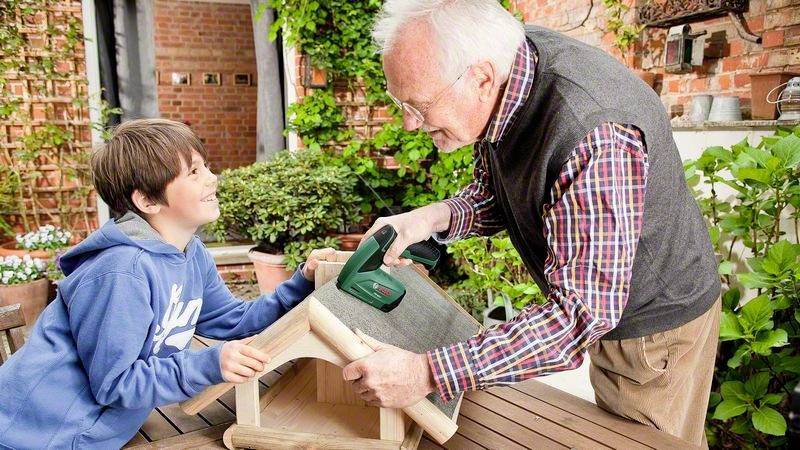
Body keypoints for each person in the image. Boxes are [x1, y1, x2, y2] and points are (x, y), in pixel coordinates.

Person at [341, 0, 721, 446]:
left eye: (419, 106)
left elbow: (580, 315)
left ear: (481, 79)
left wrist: (429, 372)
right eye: (400, 103)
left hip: (654, 331)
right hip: (607, 299)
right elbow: (502, 191)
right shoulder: (509, 66)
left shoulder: (592, 135)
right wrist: (430, 218)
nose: (408, 124)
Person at [0, 119, 331, 448]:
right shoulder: (121, 273)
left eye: (205, 167)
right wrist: (209, 363)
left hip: (96, 434)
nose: (212, 178)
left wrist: (303, 281)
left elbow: (233, 319)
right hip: (35, 437)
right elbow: (115, 383)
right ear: (147, 201)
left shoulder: (189, 252)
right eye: (193, 172)